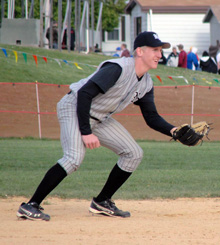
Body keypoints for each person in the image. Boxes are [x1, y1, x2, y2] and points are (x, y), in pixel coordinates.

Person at [16, 31, 177, 221]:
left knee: (133, 153)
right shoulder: (117, 68)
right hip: (74, 106)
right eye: (155, 50)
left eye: (161, 50)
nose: (160, 55)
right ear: (140, 51)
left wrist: (175, 131)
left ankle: (102, 201)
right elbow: (84, 94)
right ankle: (30, 205)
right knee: (74, 158)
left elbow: (151, 117)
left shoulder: (146, 83)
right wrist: (85, 132)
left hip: (99, 116)